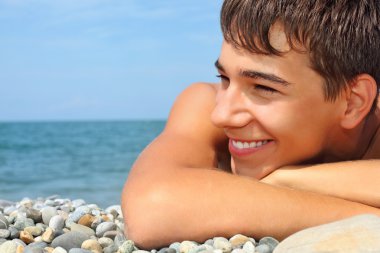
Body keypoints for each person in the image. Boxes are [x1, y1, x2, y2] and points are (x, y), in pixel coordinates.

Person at [122, 0, 380, 249]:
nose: (221, 115)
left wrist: (284, 180)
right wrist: (364, 214)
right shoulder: (203, 102)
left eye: (263, 87)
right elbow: (152, 206)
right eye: (224, 77)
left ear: (353, 102)